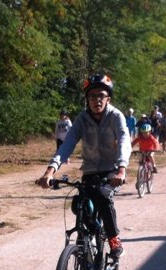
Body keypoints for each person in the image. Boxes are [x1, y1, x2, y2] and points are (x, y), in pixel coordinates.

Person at [37, 73, 131, 257]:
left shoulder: (115, 116)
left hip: (111, 172)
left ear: (108, 99)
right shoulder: (82, 118)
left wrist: (121, 169)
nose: (97, 100)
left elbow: (123, 140)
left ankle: (113, 238)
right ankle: (85, 243)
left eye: (101, 96)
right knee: (80, 204)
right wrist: (50, 171)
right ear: (87, 99)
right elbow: (68, 144)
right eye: (92, 96)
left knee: (103, 198)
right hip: (89, 170)